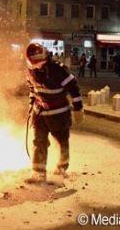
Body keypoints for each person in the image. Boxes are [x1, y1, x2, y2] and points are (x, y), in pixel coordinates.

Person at [25, 43, 84, 184]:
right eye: (35, 63)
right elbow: (33, 90)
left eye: (41, 62)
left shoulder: (59, 70)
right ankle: (38, 173)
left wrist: (78, 108)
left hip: (59, 115)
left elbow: (74, 89)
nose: (38, 66)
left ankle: (61, 168)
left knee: (61, 142)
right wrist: (31, 105)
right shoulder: (31, 70)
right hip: (40, 114)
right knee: (39, 142)